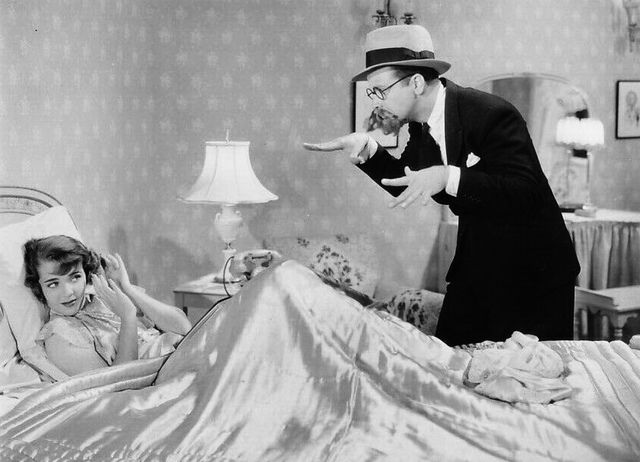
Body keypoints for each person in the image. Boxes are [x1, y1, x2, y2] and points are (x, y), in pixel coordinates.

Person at [303, 24, 580, 346]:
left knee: (532, 369)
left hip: (533, 274)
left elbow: (524, 190)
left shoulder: (491, 113)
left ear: (416, 83)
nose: (377, 102)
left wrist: (447, 176)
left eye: (381, 90)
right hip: (478, 264)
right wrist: (368, 150)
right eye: (372, 93)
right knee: (452, 359)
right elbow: (407, 181)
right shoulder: (421, 127)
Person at [23, 235, 192, 377]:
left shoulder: (103, 296)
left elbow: (184, 327)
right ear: (39, 288)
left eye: (75, 277)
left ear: (86, 274)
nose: (68, 292)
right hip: (171, 373)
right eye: (53, 284)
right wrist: (128, 317)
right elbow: (119, 381)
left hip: (187, 353)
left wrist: (126, 288)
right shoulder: (58, 336)